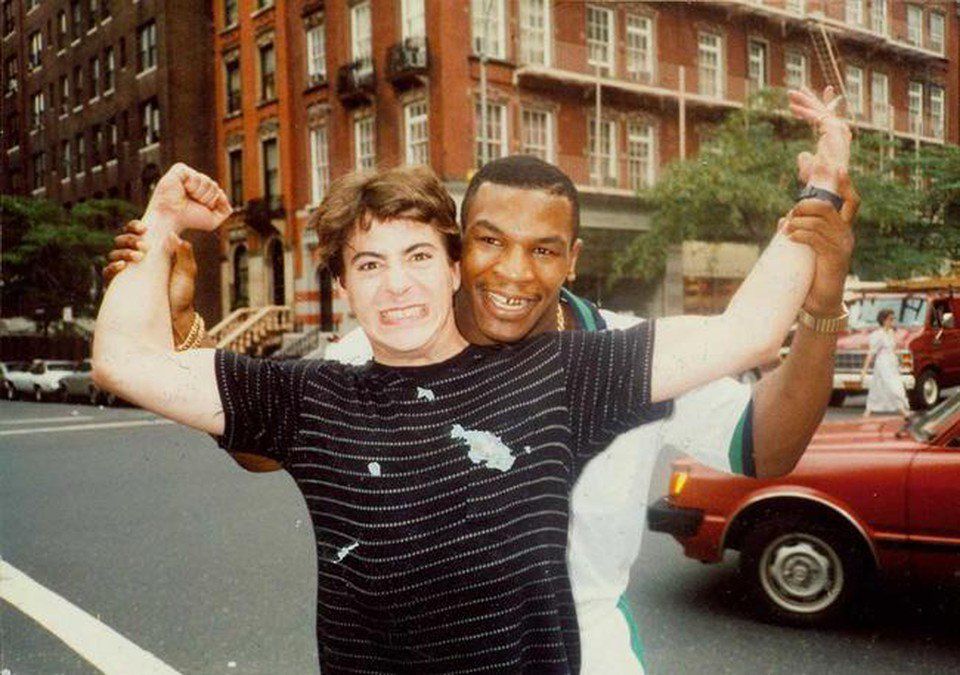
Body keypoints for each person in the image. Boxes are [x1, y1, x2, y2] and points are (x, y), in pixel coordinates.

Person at [101, 90, 856, 673]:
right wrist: (164, 269)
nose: (513, 272)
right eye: (491, 241)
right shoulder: (358, 361)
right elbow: (242, 425)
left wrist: (820, 224)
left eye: (543, 250)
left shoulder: (587, 363)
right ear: (464, 249)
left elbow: (757, 392)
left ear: (572, 257)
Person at [860, 308, 910, 419]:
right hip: (883, 364)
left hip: (891, 364)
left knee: (880, 387)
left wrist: (899, 361)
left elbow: (893, 349)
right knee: (892, 387)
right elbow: (871, 352)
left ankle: (868, 412)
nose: (892, 322)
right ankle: (903, 411)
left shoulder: (891, 333)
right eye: (890, 319)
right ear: (883, 320)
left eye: (893, 319)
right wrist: (864, 369)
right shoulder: (877, 335)